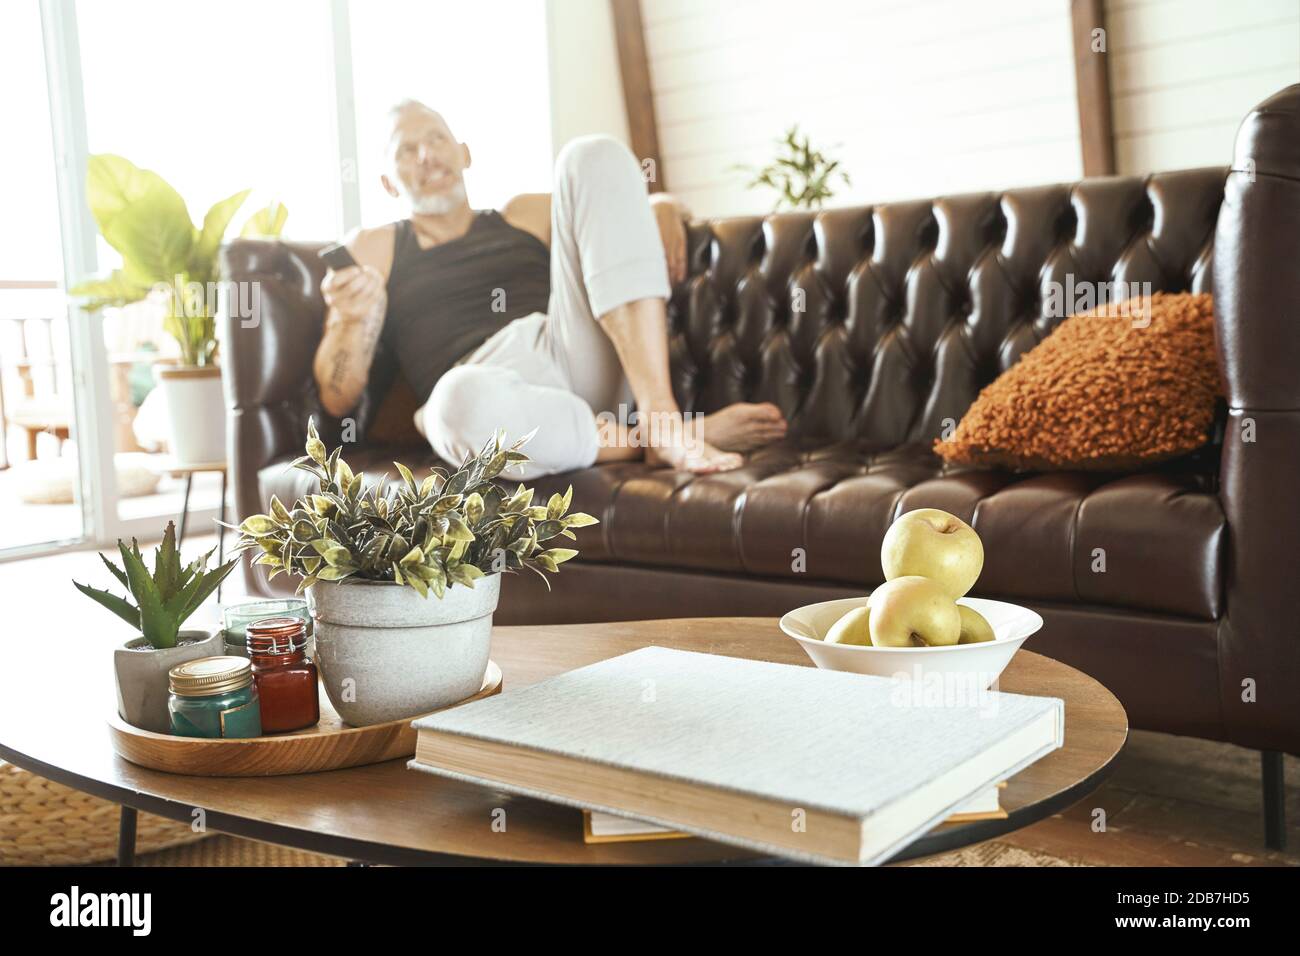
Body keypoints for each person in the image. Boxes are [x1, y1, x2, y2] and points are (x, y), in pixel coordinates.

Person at [312, 99, 787, 478]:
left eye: (437, 138)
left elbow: (611, 201)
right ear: (387, 183)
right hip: (487, 392)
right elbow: (338, 398)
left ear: (465, 153)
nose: (427, 155)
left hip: (570, 352)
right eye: (406, 150)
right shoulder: (374, 246)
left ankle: (659, 416)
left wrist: (661, 205)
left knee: (590, 153)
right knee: (455, 402)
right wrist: (354, 318)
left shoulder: (524, 215)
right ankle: (659, 438)